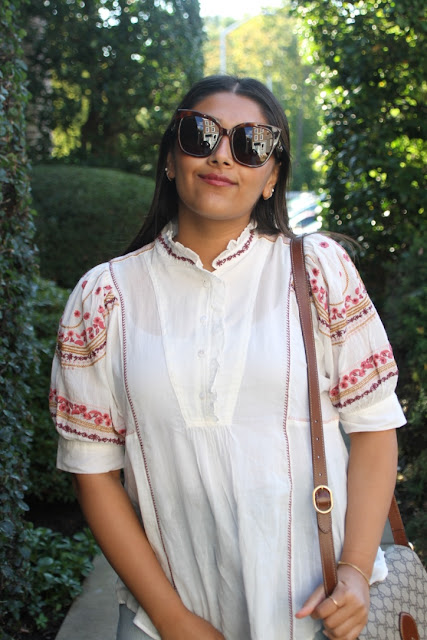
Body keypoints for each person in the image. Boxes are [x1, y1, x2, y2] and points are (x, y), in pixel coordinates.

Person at [49, 75, 406, 640]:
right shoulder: (104, 298)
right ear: (171, 159)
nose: (222, 156)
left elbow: (374, 428)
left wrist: (357, 572)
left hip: (318, 609)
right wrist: (173, 620)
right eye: (201, 134)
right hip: (161, 618)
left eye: (251, 144)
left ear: (272, 176)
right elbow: (93, 473)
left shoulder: (319, 272)